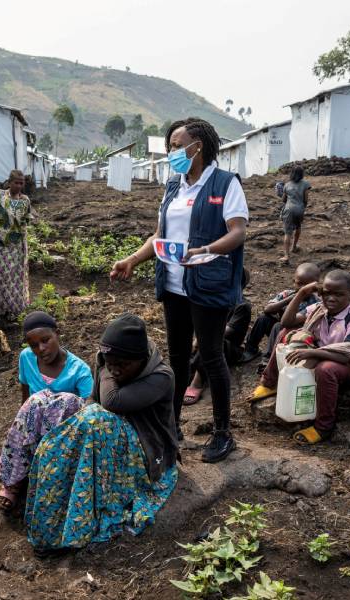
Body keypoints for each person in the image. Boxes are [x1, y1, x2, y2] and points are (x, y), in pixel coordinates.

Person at [110, 118, 249, 462]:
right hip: (174, 285)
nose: (171, 151)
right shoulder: (173, 187)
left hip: (207, 284)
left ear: (196, 146)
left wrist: (204, 251)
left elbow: (238, 232)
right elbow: (160, 234)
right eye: (171, 146)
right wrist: (132, 259)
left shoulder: (224, 184)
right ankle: (172, 426)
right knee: (177, 358)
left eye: (175, 145)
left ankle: (222, 433)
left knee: (212, 356)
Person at [25, 314, 178, 551]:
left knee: (97, 420)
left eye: (122, 365)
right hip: (111, 438)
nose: (115, 371)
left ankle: (80, 519)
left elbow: (110, 400)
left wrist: (105, 365)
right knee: (53, 405)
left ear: (141, 359)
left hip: (147, 449)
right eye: (110, 363)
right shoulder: (109, 359)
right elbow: (92, 399)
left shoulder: (161, 376)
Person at [252, 270, 350, 444]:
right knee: (286, 332)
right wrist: (302, 293)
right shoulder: (319, 309)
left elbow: (346, 355)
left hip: (348, 366)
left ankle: (323, 427)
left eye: (339, 294)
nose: (331, 298)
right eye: (327, 293)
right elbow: (286, 322)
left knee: (325, 369)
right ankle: (269, 382)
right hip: (323, 352)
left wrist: (312, 353)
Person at [0, 311, 93, 511]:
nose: (41, 349)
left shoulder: (80, 370)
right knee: (34, 403)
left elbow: (89, 412)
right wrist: (20, 427)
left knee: (62, 400)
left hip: (63, 432)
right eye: (34, 345)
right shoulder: (26, 358)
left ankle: (41, 477)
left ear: (57, 334)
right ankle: (14, 482)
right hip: (34, 427)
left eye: (46, 340)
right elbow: (25, 398)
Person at [183, 269, 253, 406]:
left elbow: (228, 330)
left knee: (213, 342)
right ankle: (189, 370)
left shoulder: (243, 306)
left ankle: (197, 381)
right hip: (209, 342)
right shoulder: (218, 301)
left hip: (230, 348)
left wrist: (202, 338)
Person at [241, 263, 322, 364]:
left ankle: (268, 358)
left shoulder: (316, 302)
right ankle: (251, 349)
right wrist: (290, 299)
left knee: (279, 326)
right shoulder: (287, 294)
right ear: (294, 281)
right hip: (277, 331)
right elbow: (267, 309)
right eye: (299, 283)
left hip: (296, 336)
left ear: (315, 285)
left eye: (306, 285)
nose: (302, 289)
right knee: (263, 318)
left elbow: (291, 323)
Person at [0, 170, 32, 319]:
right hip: (1, 243)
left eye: (22, 183)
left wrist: (23, 246)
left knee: (15, 276)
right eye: (16, 182)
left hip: (18, 245)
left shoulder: (25, 200)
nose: (19, 185)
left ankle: (14, 309)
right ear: (9, 182)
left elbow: (25, 224)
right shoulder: (0, 195)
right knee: (0, 274)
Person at [279, 167, 311, 263]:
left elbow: (283, 200)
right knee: (298, 227)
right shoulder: (306, 184)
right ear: (301, 174)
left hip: (289, 210)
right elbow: (306, 199)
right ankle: (294, 247)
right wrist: (302, 207)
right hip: (300, 209)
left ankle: (286, 256)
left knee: (288, 233)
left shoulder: (287, 185)